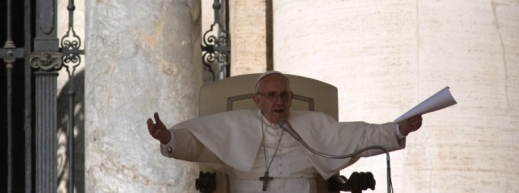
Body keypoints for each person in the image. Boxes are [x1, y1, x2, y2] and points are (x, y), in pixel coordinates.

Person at [147, 71, 423, 193]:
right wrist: (168, 137)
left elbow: (360, 136)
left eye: (284, 95)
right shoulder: (234, 125)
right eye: (271, 96)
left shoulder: (312, 124)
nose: (279, 102)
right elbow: (196, 142)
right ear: (257, 100)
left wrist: (398, 129)